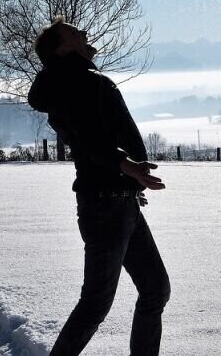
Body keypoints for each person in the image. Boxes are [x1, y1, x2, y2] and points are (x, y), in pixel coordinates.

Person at [28, 17, 171, 356]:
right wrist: (128, 166)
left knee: (154, 288)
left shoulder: (73, 81)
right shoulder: (79, 83)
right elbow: (91, 142)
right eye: (76, 33)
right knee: (96, 303)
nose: (84, 33)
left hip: (120, 202)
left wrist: (130, 179)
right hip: (105, 206)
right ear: (63, 48)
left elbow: (96, 138)